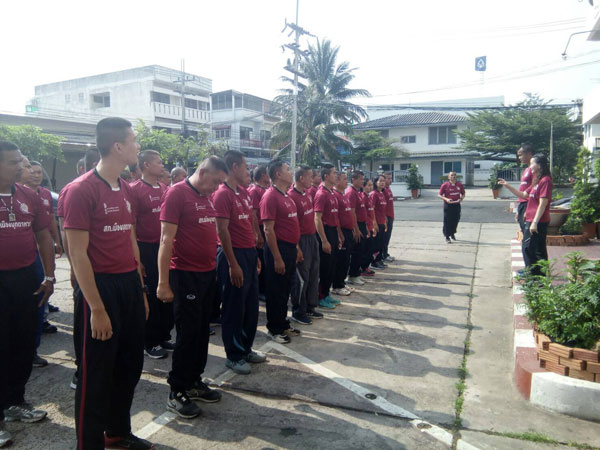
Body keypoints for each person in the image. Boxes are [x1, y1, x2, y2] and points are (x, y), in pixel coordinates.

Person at [63, 117, 153, 450]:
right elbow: (77, 254)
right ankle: (88, 444)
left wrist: (140, 289)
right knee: (95, 376)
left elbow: (129, 239)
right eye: (133, 140)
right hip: (98, 289)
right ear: (117, 146)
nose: (137, 146)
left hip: (128, 284)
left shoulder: (127, 188)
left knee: (130, 364)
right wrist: (97, 309)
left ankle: (117, 431)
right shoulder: (80, 190)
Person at [157, 156, 227, 419]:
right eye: (216, 181)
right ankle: (177, 390)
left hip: (207, 273)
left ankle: (194, 381)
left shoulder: (207, 196)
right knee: (187, 334)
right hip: (184, 275)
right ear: (203, 172)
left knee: (200, 333)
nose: (217, 187)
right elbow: (165, 240)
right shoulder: (177, 194)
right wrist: (163, 283)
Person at [0, 141, 55, 449]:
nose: (20, 167)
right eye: (12, 162)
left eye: (20, 161)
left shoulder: (28, 196)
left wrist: (48, 275)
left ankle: (15, 402)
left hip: (27, 277)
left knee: (22, 343)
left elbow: (42, 235)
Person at [214, 150, 266, 375]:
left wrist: (254, 255)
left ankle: (246, 348)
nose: (248, 170)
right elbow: (222, 230)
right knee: (234, 308)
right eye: (245, 166)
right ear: (234, 167)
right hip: (232, 255)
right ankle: (234, 355)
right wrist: (233, 264)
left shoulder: (243, 193)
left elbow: (249, 223)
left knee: (251, 306)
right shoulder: (222, 194)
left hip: (248, 254)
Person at [129, 150, 172, 360]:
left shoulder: (165, 188)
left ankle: (163, 335)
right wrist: (137, 259)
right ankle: (150, 340)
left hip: (164, 247)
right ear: (146, 165)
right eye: (158, 162)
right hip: (146, 248)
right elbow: (132, 226)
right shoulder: (135, 190)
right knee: (151, 295)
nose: (162, 165)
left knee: (166, 293)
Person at [260, 160, 301, 343]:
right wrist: (277, 258)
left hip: (290, 248)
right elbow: (268, 230)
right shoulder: (270, 196)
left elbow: (292, 225)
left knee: (285, 290)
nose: (291, 172)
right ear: (278, 174)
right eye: (287, 170)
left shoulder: (286, 196)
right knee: (276, 291)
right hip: (278, 249)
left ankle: (283, 323)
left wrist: (297, 247)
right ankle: (274, 328)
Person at [498, 153, 552, 276]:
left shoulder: (546, 181)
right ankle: (540, 274)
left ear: (539, 165)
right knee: (537, 248)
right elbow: (523, 195)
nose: (530, 166)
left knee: (528, 247)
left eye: (533, 163)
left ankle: (534, 274)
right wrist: (507, 185)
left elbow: (542, 204)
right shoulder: (537, 181)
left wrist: (534, 223)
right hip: (531, 219)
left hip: (538, 221)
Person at [288, 165, 323, 324]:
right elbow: (291, 226)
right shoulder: (291, 197)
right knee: (302, 277)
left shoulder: (307, 194)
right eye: (310, 176)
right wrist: (297, 247)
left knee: (314, 274)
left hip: (311, 238)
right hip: (301, 240)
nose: (313, 179)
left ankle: (310, 306)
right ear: (301, 178)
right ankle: (298, 311)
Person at [314, 164, 342, 309]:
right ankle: (320, 297)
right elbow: (317, 218)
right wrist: (324, 240)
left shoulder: (331, 192)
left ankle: (326, 293)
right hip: (325, 232)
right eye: (333, 173)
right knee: (325, 267)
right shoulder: (321, 193)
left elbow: (335, 216)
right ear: (326, 176)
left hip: (333, 232)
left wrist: (338, 235)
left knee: (332, 266)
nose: (336, 175)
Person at [248, 165, 269, 301]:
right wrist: (257, 234)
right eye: (267, 174)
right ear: (262, 175)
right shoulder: (255, 190)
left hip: (265, 228)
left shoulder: (263, 190)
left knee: (266, 260)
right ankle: (260, 289)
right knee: (261, 259)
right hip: (260, 228)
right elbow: (253, 214)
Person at [332, 172, 354, 297]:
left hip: (348, 230)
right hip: (342, 232)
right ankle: (337, 285)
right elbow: (337, 218)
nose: (347, 181)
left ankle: (342, 282)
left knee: (346, 259)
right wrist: (340, 233)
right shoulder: (335, 195)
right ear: (337, 181)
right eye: (345, 179)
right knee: (341, 260)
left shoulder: (343, 195)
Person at [345, 170, 367, 286]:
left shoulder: (358, 192)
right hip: (357, 225)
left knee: (360, 251)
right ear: (353, 180)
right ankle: (352, 275)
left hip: (362, 224)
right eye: (361, 179)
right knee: (356, 251)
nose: (362, 181)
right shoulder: (351, 193)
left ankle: (357, 274)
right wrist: (356, 229)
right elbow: (352, 213)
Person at [438, 171, 465, 244]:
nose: (453, 176)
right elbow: (439, 195)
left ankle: (452, 233)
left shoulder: (459, 185)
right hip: (448, 205)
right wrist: (446, 199)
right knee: (447, 221)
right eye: (452, 175)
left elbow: (463, 193)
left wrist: (461, 198)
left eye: (454, 175)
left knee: (455, 220)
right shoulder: (445, 185)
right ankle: (447, 236)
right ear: (449, 177)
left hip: (456, 205)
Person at [370, 175, 388, 270]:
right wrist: (374, 223)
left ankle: (379, 259)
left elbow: (383, 210)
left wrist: (385, 221)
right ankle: (374, 262)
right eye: (380, 181)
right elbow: (371, 209)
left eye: (383, 181)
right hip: (376, 223)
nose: (382, 183)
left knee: (381, 243)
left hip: (382, 222)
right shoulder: (374, 194)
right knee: (376, 244)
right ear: (375, 182)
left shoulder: (382, 194)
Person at [515, 143, 534, 235]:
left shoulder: (534, 170)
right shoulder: (526, 170)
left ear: (529, 154)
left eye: (521, 155)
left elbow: (534, 188)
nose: (519, 158)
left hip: (528, 204)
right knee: (524, 231)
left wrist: (528, 209)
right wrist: (518, 210)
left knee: (528, 235)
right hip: (522, 204)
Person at [361, 178, 377, 278]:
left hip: (371, 226)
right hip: (366, 227)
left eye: (371, 185)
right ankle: (363, 268)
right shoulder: (362, 197)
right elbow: (364, 214)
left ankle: (366, 267)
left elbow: (372, 212)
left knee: (370, 249)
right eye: (368, 185)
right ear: (363, 186)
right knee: (365, 250)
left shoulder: (369, 196)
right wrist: (366, 226)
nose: (370, 187)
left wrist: (374, 224)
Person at [382, 172, 395, 262]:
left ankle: (385, 253)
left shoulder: (389, 189)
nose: (390, 180)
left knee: (388, 236)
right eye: (388, 178)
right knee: (384, 237)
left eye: (391, 178)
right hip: (385, 218)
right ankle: (383, 255)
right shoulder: (383, 191)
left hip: (390, 216)